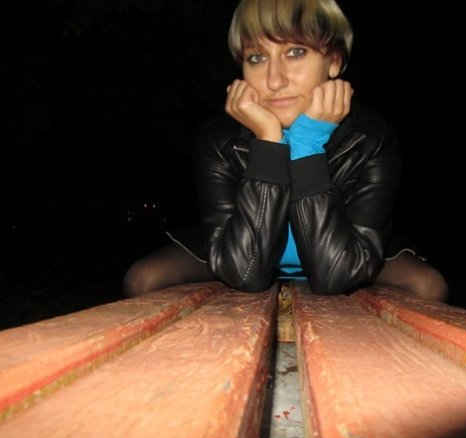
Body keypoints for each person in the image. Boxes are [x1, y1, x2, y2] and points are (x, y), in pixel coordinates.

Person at [123, 0, 448, 302]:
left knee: (428, 286)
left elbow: (334, 276)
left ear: (334, 61)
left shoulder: (370, 138)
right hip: (239, 249)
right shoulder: (219, 140)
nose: (275, 80)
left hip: (347, 251)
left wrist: (308, 142)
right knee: (143, 279)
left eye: (295, 52)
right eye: (257, 58)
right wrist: (268, 141)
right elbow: (244, 273)